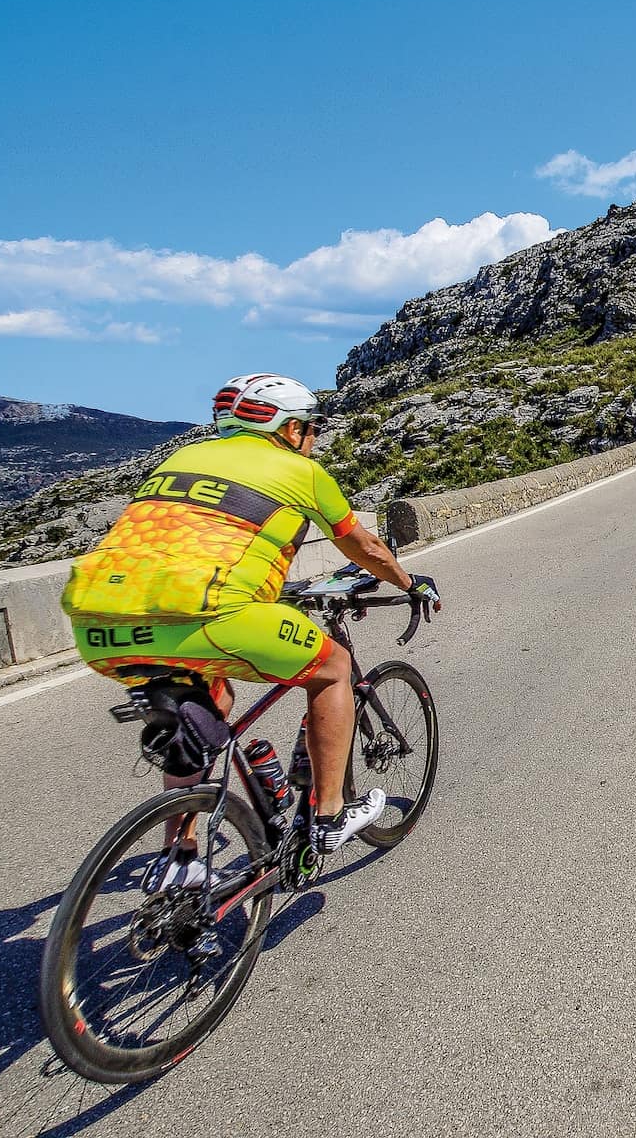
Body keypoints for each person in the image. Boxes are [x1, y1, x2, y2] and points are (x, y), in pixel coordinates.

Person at [61, 373, 442, 883]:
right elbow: (363, 547)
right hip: (210, 614)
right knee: (332, 668)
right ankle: (330, 815)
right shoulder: (300, 471)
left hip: (99, 621)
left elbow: (194, 542)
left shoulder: (178, 460)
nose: (313, 439)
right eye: (310, 428)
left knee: (207, 703)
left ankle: (181, 857)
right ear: (289, 430)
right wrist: (409, 582)